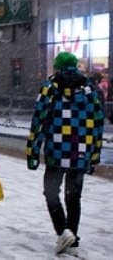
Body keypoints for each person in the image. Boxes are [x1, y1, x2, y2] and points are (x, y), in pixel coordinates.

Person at [26, 52, 104, 256]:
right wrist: (94, 154)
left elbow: (39, 119)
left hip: (57, 148)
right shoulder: (90, 89)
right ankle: (73, 239)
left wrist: (33, 151)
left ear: (57, 66)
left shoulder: (50, 87)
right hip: (81, 148)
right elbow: (98, 122)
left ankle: (63, 231)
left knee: (51, 191)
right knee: (74, 196)